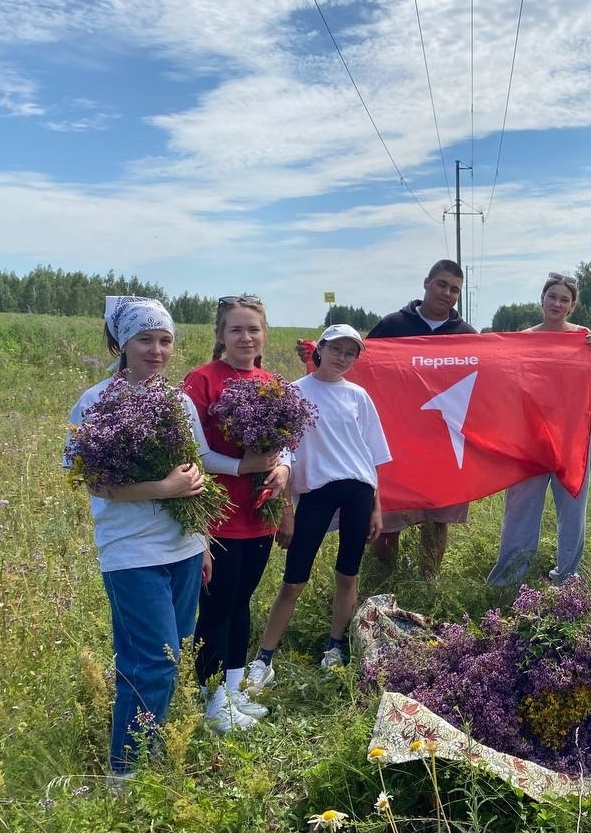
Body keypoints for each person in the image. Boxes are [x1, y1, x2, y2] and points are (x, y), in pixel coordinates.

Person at [65, 296, 211, 777]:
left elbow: (197, 471)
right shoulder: (96, 403)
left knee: (173, 654)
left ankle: (150, 754)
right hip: (131, 552)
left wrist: (203, 539)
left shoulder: (179, 401)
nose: (156, 350)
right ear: (121, 343)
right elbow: (92, 482)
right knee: (151, 662)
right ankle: (125, 773)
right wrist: (161, 488)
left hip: (184, 548)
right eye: (145, 339)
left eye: (165, 340)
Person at [248, 325, 391, 685]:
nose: (342, 358)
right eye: (337, 350)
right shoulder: (295, 394)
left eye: (350, 353)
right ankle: (264, 657)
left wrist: (377, 506)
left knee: (348, 574)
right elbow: (284, 454)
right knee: (293, 581)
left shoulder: (358, 396)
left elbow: (372, 454)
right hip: (315, 492)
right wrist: (285, 509)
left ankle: (336, 644)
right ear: (320, 349)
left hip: (358, 490)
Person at [182, 295, 290, 732]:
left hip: (258, 514)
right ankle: (211, 699)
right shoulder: (202, 381)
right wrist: (240, 466)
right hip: (218, 515)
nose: (246, 337)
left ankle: (231, 689)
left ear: (264, 334)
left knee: (242, 603)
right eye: (236, 330)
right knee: (217, 607)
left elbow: (288, 445)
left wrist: (282, 468)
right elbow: (192, 453)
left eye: (254, 329)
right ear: (220, 336)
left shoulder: (271, 382)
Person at [486, 273, 591, 588]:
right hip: (530, 438)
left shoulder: (583, 338)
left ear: (572, 305)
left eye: (565, 299)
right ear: (542, 299)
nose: (557, 303)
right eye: (552, 296)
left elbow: (588, 391)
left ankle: (567, 577)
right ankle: (509, 579)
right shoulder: (524, 339)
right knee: (521, 508)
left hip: (572, 438)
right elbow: (510, 387)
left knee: (573, 506)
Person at [366, 260, 478, 578]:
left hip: (442, 441)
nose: (447, 293)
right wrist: (315, 356)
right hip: (395, 440)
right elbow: (356, 361)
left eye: (454, 289)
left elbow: (493, 374)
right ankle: (381, 579)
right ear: (426, 282)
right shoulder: (392, 325)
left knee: (438, 518)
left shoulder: (466, 335)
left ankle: (428, 580)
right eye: (441, 284)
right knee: (389, 518)